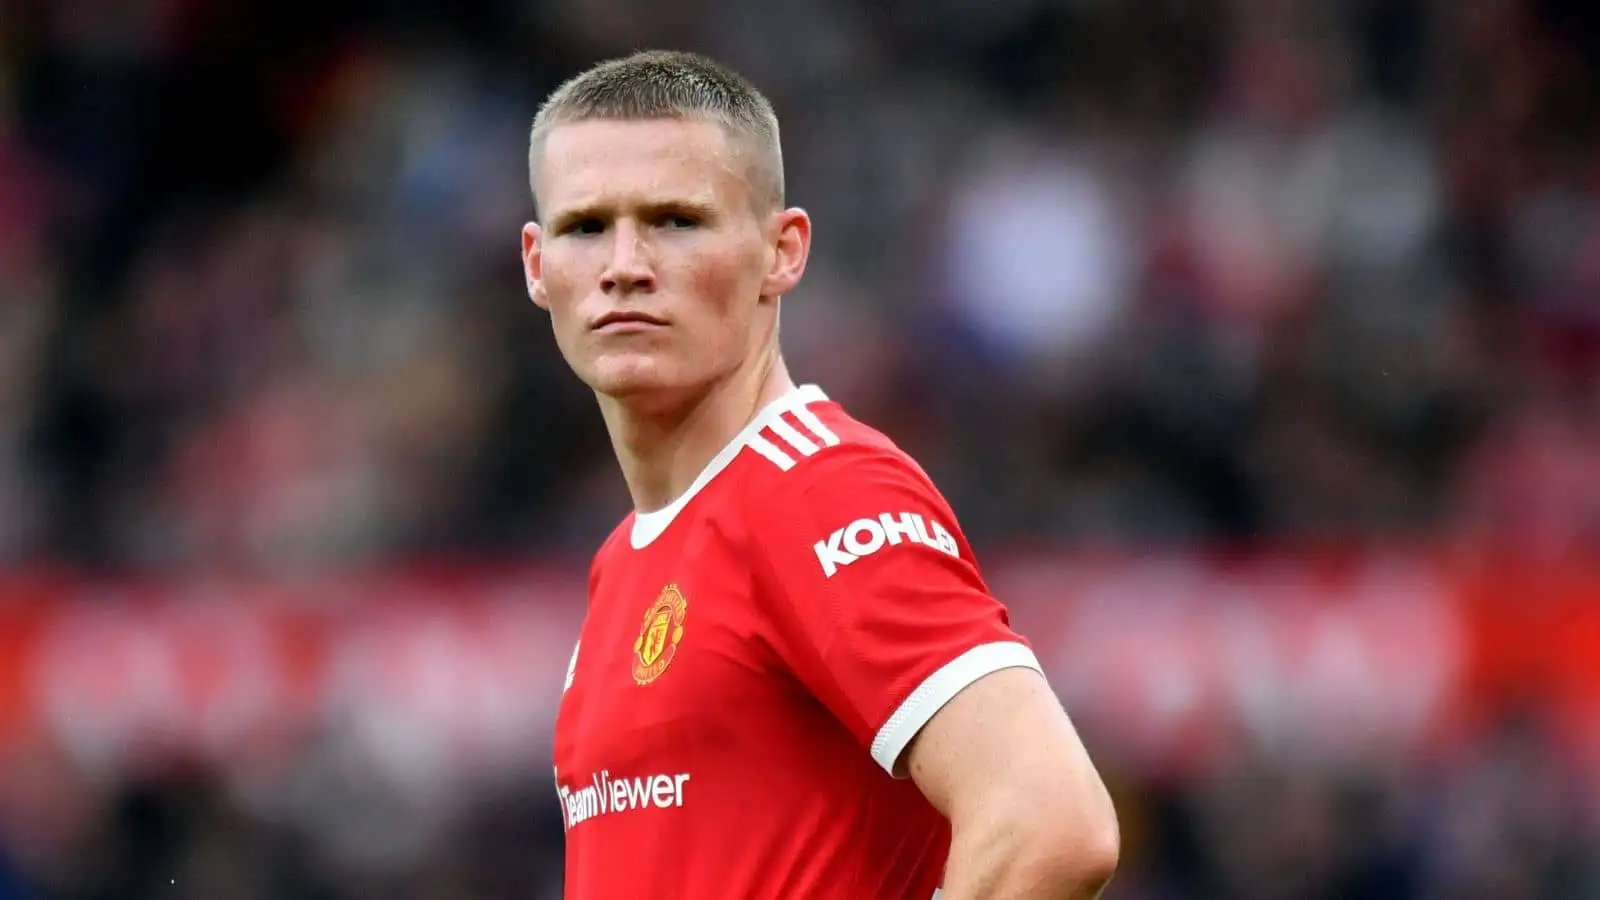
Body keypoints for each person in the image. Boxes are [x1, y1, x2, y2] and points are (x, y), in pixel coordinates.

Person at [523, 49, 1119, 900]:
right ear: (537, 266)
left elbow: (1050, 822)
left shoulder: (817, 492)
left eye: (676, 221)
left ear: (783, 251)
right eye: (586, 227)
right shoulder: (627, 557)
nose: (624, 264)